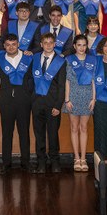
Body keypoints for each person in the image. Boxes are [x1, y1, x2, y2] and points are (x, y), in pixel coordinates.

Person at [0, 33, 34, 174]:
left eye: (13, 44)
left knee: (24, 132)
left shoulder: (28, 58)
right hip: (5, 100)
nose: (11, 47)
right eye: (8, 44)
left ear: (18, 44)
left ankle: (26, 163)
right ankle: (6, 163)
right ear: (4, 46)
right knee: (7, 132)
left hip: (24, 99)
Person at [30, 33, 66, 173]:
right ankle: (41, 162)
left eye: (51, 42)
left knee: (53, 134)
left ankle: (55, 161)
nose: (48, 45)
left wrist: (58, 105)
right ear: (41, 44)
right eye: (46, 42)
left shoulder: (60, 61)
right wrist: (32, 98)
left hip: (53, 104)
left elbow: (62, 86)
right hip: (37, 102)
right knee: (39, 134)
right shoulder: (34, 59)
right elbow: (29, 80)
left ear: (55, 44)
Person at [63, 35, 96, 172]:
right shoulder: (69, 60)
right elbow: (67, 81)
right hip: (73, 98)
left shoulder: (92, 60)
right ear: (74, 46)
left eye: (84, 45)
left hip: (88, 97)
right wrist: (67, 100)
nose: (82, 48)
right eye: (79, 45)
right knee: (74, 128)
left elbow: (94, 80)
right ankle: (76, 158)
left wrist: (94, 98)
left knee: (84, 128)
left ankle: (84, 158)